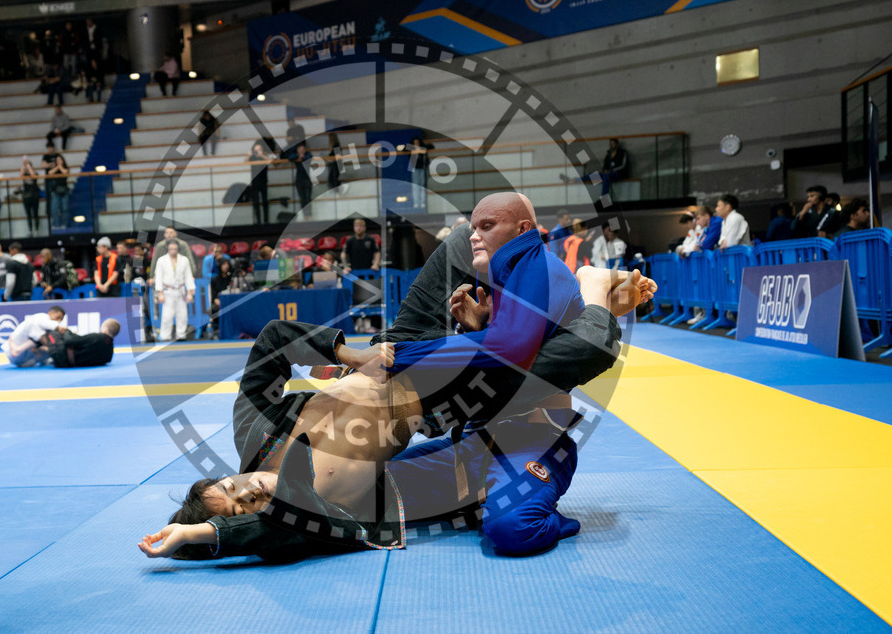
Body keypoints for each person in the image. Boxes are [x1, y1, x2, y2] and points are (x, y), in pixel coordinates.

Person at [138, 197, 653, 560]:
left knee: (464, 241)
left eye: (234, 486)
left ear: (226, 474)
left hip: (395, 348)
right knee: (581, 352)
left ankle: (517, 294)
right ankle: (592, 292)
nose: (252, 491)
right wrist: (198, 534)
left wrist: (351, 353)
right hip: (446, 395)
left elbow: (272, 343)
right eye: (246, 506)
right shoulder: (309, 510)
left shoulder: (256, 435)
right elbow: (265, 532)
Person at [155, 241, 195, 341]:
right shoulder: (161, 260)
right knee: (167, 316)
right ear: (167, 249)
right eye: (171, 249)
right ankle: (165, 336)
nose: (173, 251)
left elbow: (188, 276)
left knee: (182, 315)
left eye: (175, 249)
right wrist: (160, 293)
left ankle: (181, 335)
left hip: (180, 290)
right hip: (167, 290)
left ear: (178, 249)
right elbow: (158, 277)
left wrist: (189, 292)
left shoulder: (184, 260)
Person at [38, 319, 121, 368]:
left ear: (105, 329)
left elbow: (69, 340)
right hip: (65, 364)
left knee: (53, 331)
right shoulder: (109, 355)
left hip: (60, 355)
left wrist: (67, 331)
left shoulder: (98, 337)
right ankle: (43, 351)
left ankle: (36, 348)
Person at [1, 306, 67, 367]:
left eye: (61, 320)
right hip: (13, 350)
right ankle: (17, 350)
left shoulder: (49, 330)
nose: (59, 321)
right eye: (58, 317)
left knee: (51, 345)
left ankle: (46, 359)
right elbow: (49, 324)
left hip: (23, 361)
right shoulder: (42, 317)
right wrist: (59, 327)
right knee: (33, 325)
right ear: (50, 313)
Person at [247, 141, 271, 225]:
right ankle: (258, 220)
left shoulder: (264, 156)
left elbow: (270, 161)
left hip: (263, 181)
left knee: (265, 201)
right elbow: (245, 162)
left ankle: (266, 220)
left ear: (262, 150)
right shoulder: (252, 157)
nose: (257, 151)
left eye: (259, 149)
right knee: (256, 202)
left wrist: (261, 155)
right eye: (256, 150)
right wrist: (249, 155)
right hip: (255, 182)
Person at [17, 156, 42, 236]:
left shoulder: (35, 173)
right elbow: (21, 174)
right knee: (29, 215)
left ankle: (37, 230)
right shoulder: (24, 174)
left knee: (35, 213)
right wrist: (23, 164)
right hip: (26, 196)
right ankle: (30, 230)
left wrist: (28, 165)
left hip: (34, 195)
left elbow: (33, 175)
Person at [209, 258, 233, 338]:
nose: (226, 266)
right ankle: (217, 330)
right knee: (213, 309)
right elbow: (213, 296)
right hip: (219, 302)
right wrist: (219, 302)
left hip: (230, 302)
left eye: (227, 264)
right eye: (224, 264)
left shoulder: (231, 278)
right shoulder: (214, 280)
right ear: (220, 266)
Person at [407, 136, 433, 209]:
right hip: (415, 167)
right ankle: (416, 202)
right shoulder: (411, 148)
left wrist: (420, 148)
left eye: (417, 143)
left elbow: (431, 146)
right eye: (415, 143)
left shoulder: (423, 148)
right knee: (415, 186)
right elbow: (403, 149)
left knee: (423, 185)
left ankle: (422, 202)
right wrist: (414, 148)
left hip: (423, 168)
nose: (416, 144)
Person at [47, 154, 70, 229]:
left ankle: (64, 224)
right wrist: (57, 167)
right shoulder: (55, 169)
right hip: (56, 190)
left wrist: (60, 166)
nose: (58, 161)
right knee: (54, 208)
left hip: (64, 190)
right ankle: (56, 224)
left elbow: (65, 173)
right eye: (57, 160)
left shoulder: (65, 168)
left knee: (65, 208)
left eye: (60, 160)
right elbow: (50, 173)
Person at [291, 142, 314, 217]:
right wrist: (298, 156)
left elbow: (309, 157)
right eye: (300, 149)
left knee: (308, 198)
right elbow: (290, 157)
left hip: (307, 179)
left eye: (303, 149)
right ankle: (305, 215)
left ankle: (309, 214)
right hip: (299, 179)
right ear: (297, 150)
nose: (302, 150)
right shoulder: (295, 155)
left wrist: (302, 157)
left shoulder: (308, 154)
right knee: (302, 198)